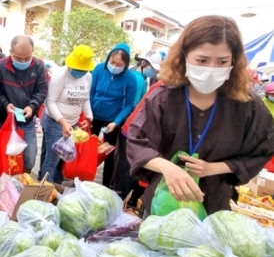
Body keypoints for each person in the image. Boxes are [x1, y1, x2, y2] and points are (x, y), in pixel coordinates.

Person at [126, 15, 274, 216]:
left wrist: (214, 168)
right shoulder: (163, 98)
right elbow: (136, 142)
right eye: (202, 60)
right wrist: (169, 168)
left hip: (213, 208)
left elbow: (263, 149)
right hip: (162, 204)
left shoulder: (248, 106)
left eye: (222, 61)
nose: (211, 69)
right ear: (185, 56)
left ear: (234, 61)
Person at [0, 35, 47, 175]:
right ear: (10, 51)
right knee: (3, 156)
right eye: (18, 58)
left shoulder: (39, 66)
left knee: (29, 158)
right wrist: (5, 104)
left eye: (27, 58)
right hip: (4, 120)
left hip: (26, 120)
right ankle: (2, 184)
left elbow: (41, 91)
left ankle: (23, 180)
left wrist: (32, 106)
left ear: (32, 52)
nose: (23, 61)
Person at [90, 43, 143, 188]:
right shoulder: (99, 69)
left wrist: (116, 122)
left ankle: (106, 186)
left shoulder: (130, 78)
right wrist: (89, 114)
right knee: (88, 148)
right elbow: (92, 92)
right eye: (112, 62)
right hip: (94, 115)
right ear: (108, 58)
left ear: (125, 65)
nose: (114, 66)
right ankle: (84, 179)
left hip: (112, 119)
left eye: (119, 64)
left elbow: (129, 104)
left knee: (109, 154)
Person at [39, 45, 95, 183]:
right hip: (55, 122)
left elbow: (85, 98)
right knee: (52, 159)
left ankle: (54, 186)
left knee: (62, 158)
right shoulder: (60, 76)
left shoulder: (87, 77)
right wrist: (63, 122)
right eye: (77, 69)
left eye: (83, 70)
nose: (80, 72)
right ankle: (43, 190)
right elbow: (50, 101)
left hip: (73, 122)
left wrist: (88, 116)